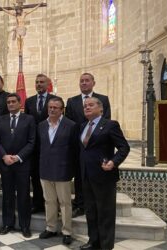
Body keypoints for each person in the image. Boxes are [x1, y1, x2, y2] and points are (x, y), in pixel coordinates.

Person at [79, 97, 129, 250]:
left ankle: (106, 245)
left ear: (100, 108)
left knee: (105, 213)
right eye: (85, 106)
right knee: (91, 211)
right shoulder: (83, 126)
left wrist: (113, 162)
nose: (87, 107)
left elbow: (124, 147)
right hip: (86, 176)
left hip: (104, 175)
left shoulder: (110, 125)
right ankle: (93, 241)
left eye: (91, 105)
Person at [65, 72, 111, 218]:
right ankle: (79, 204)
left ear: (93, 82)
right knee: (79, 177)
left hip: (97, 147)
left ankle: (95, 204)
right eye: (81, 81)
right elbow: (69, 123)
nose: (84, 83)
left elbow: (106, 121)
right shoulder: (72, 101)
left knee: (95, 176)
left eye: (86, 80)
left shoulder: (103, 99)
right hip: (78, 147)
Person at [0, 93, 36, 238]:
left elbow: (31, 142)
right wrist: (4, 156)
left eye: (13, 102)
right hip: (5, 163)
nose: (10, 104)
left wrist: (18, 157)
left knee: (23, 196)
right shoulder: (1, 119)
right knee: (7, 195)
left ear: (19, 103)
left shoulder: (29, 119)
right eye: (8, 102)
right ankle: (7, 223)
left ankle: (25, 225)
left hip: (22, 164)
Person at [37, 97, 78, 246]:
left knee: (65, 202)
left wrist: (71, 169)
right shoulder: (41, 125)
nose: (52, 110)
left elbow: (75, 150)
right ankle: (51, 227)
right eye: (50, 107)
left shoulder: (71, 125)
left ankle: (67, 231)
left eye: (55, 107)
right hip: (45, 169)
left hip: (63, 169)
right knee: (49, 201)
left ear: (62, 110)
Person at [24, 73, 56, 214]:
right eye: (37, 82)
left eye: (42, 82)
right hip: (33, 145)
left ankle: (52, 205)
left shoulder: (55, 100)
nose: (39, 84)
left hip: (50, 144)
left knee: (50, 176)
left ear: (48, 84)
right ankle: (37, 203)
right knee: (35, 176)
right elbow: (26, 122)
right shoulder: (29, 101)